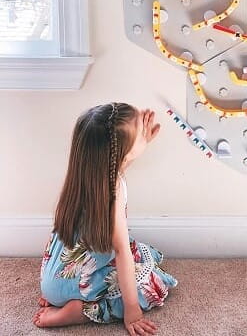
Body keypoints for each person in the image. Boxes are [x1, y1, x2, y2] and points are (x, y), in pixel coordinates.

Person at [32, 103, 177, 335]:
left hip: (53, 278)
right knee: (149, 283)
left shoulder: (85, 174)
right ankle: (79, 310)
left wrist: (139, 144)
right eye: (140, 133)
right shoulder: (114, 190)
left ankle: (59, 293)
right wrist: (132, 311)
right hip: (76, 284)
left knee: (137, 250)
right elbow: (120, 251)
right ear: (123, 153)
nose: (144, 133)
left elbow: (118, 164)